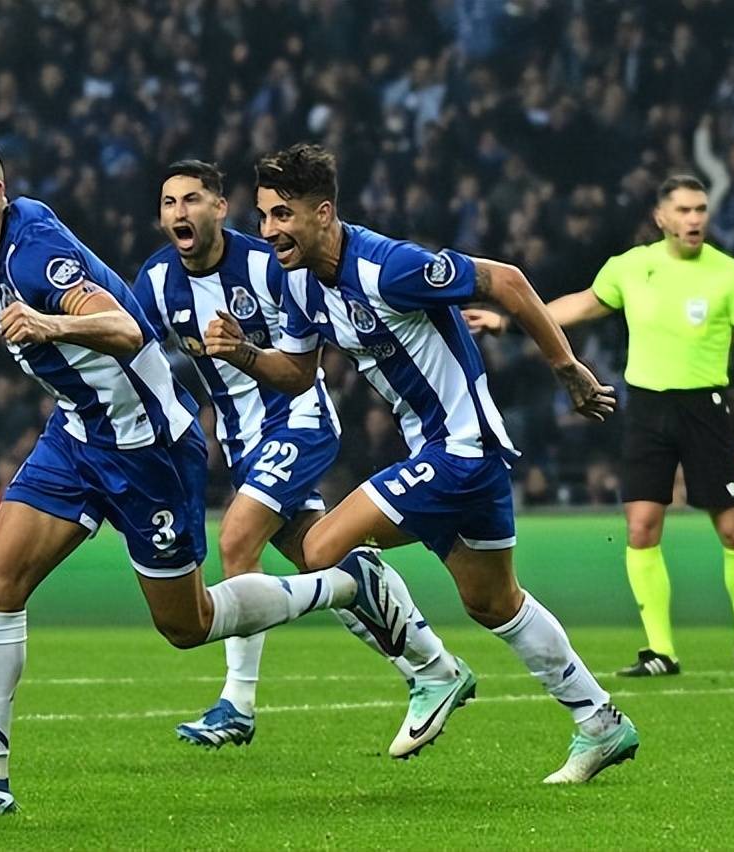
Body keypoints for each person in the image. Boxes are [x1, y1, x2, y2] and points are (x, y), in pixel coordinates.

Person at [0, 137, 414, 817]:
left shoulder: (36, 252)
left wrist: (48, 323)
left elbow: (125, 329)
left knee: (187, 624)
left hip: (147, 448)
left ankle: (344, 584)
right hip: (77, 435)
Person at [204, 143, 637, 784]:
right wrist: (243, 353)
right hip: (447, 455)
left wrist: (567, 366)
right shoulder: (297, 282)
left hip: (460, 450)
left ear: (323, 212)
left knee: (321, 548)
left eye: (282, 215)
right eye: (264, 216)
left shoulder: (390, 267)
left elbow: (508, 282)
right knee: (493, 603)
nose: (268, 231)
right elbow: (296, 374)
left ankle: (431, 671)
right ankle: (600, 722)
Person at [134, 160, 469, 756]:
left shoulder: (268, 265)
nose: (179, 212)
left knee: (237, 539)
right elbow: (133, 352)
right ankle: (433, 665)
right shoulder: (157, 282)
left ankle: (237, 703)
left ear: (219, 208)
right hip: (240, 442)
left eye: (192, 199)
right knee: (324, 559)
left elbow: (311, 344)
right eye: (168, 203)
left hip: (297, 419)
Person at [466, 175, 734, 677]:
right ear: (661, 217)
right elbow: (580, 305)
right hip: (648, 410)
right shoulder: (632, 267)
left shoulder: (728, 275)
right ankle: (660, 651)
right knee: (641, 529)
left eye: (700, 209)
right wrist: (510, 322)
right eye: (683, 210)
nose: (694, 219)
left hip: (706, 409)